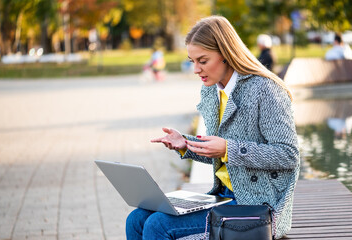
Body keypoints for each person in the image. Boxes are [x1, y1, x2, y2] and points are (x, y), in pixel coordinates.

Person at [126, 16, 300, 240]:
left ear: (226, 54)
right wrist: (186, 144)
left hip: (257, 204)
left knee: (158, 226)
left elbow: (289, 155)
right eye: (192, 61)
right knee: (137, 218)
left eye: (203, 60)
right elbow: (218, 151)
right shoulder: (211, 91)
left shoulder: (265, 90)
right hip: (225, 196)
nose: (196, 69)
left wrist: (229, 149)